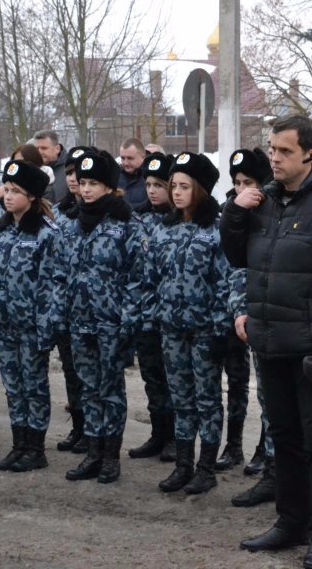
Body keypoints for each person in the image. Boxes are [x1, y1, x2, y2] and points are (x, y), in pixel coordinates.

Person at [220, 115, 312, 569]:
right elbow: (238, 257)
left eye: (284, 151)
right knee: (283, 437)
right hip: (270, 341)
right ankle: (290, 522)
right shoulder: (263, 200)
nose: (274, 157)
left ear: (311, 154)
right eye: (271, 148)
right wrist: (235, 212)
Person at [146, 152, 231, 495]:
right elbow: (152, 278)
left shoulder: (216, 230)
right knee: (180, 399)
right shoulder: (163, 229)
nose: (177, 193)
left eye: (184, 186)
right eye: (174, 186)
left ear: (201, 189)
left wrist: (221, 328)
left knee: (207, 400)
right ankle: (183, 465)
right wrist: (152, 317)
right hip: (171, 328)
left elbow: (225, 282)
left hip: (205, 329)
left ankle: (206, 469)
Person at [0, 159, 65, 473]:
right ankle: (19, 445)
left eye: (16, 191)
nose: (8, 196)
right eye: (7, 189)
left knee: (34, 387)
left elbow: (54, 284)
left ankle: (36, 449)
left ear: (32, 196)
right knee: (13, 387)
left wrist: (47, 327)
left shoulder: (47, 234)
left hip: (31, 327)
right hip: (5, 324)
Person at [62, 150, 143, 484]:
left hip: (112, 324)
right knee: (89, 390)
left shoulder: (127, 226)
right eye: (82, 182)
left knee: (111, 391)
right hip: (80, 321)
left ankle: (111, 457)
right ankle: (93, 453)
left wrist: (128, 321)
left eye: (93, 183)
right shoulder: (73, 225)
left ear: (110, 186)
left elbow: (137, 278)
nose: (86, 189)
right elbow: (61, 273)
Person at [222, 147, 279, 508]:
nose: (242, 189)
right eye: (237, 182)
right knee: (266, 398)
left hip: (282, 317)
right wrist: (239, 309)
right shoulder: (236, 215)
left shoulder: (274, 213)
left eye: (249, 182)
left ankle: (276, 464)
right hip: (253, 316)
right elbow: (236, 269)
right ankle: (269, 465)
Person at [126, 152, 177, 462]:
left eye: (159, 184)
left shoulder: (182, 219)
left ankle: (175, 439)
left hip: (171, 316)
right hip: (144, 314)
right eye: (148, 185)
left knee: (174, 380)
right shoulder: (138, 220)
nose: (153, 191)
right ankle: (158, 434)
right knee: (152, 377)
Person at [53, 145, 92, 456]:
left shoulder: (97, 215)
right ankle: (78, 426)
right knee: (70, 371)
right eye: (68, 173)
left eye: (77, 173)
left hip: (90, 311)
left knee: (90, 376)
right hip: (65, 307)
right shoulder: (58, 213)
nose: (72, 179)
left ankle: (92, 431)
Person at [33, 130, 68, 203]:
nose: (39, 152)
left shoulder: (70, 169)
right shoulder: (32, 169)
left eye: (44, 148)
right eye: (36, 149)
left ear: (57, 149)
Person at [117, 137, 148, 209]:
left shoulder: (149, 179)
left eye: (130, 158)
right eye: (123, 158)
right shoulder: (115, 178)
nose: (126, 163)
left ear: (143, 157)